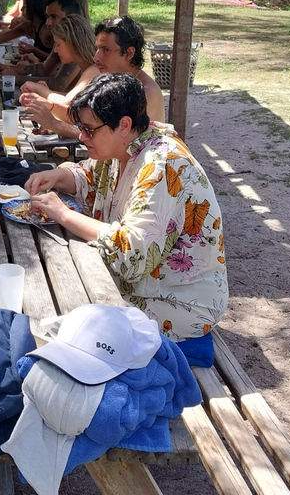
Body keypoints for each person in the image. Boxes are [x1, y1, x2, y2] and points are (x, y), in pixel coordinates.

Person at [25, 73, 227, 343]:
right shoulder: (125, 148)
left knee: (56, 323)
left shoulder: (163, 165)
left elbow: (131, 256)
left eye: (89, 129)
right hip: (140, 289)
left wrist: (63, 214)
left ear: (123, 125)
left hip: (177, 304)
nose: (82, 137)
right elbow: (90, 179)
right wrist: (57, 177)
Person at [19, 15, 101, 139]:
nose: (56, 51)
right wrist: (48, 93)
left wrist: (39, 90)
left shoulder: (94, 70)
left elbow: (67, 104)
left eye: (58, 44)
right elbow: (75, 99)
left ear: (72, 44)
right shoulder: (85, 67)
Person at [0, 0, 87, 92]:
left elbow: (59, 84)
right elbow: (43, 70)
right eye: (47, 17)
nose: (48, 23)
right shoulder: (62, 38)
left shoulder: (77, 40)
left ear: (71, 15)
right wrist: (6, 68)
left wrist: (17, 78)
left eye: (54, 17)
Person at [93, 16, 165, 122]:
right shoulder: (114, 81)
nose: (96, 58)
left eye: (106, 50)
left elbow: (110, 134)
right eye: (97, 49)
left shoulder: (145, 91)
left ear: (129, 53)